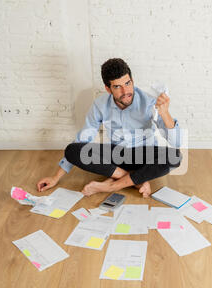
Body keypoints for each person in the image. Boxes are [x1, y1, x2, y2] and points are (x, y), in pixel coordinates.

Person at [36, 58, 182, 198]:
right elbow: (82, 138)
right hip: (117, 155)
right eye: (117, 87)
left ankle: (112, 186)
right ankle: (134, 180)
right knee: (72, 150)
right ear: (108, 89)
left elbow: (176, 144)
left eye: (127, 83)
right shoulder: (100, 105)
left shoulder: (149, 101)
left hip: (143, 155)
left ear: (132, 81)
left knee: (175, 156)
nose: (125, 91)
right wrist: (55, 178)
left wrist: (165, 113)